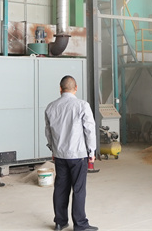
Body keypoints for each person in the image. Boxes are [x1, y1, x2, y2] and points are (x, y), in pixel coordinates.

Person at [44, 75, 98, 231]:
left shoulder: (51, 107)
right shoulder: (82, 105)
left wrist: (53, 149)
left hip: (60, 155)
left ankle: (60, 222)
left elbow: (48, 132)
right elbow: (89, 130)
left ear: (60, 89)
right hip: (78, 155)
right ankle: (80, 224)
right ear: (76, 88)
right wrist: (91, 151)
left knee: (60, 188)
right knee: (79, 189)